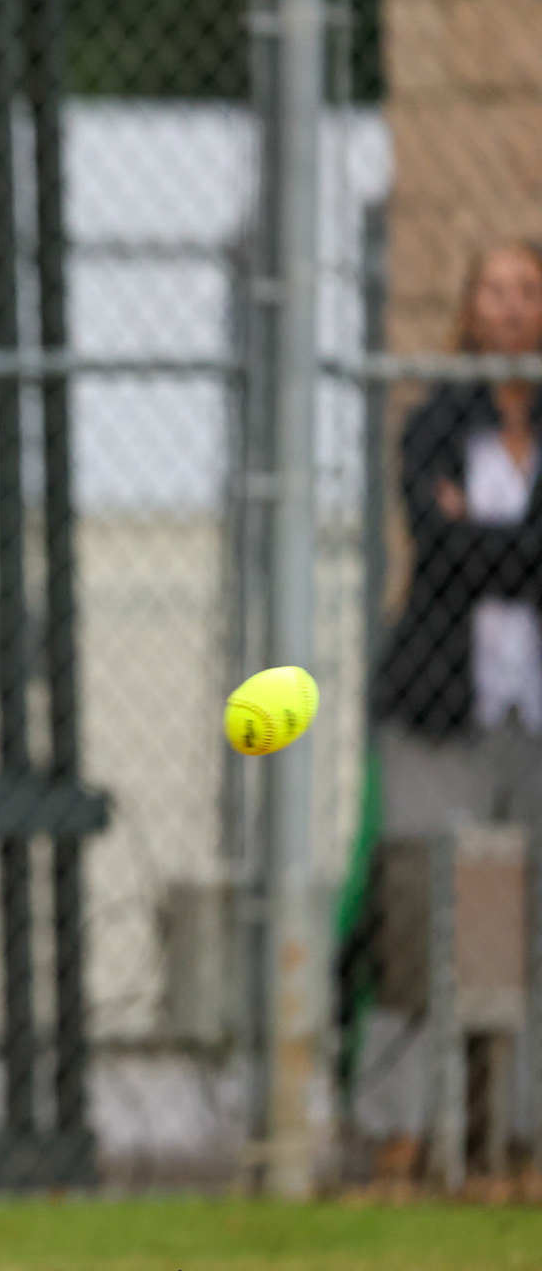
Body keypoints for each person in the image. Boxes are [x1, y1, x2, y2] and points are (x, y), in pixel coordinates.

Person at [359, 240, 542, 1177]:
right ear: (470, 311)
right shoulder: (433, 424)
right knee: (422, 914)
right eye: (494, 292)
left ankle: (514, 1138)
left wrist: (481, 536)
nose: (510, 309)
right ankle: (403, 1130)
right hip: (441, 708)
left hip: (531, 720)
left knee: (525, 930)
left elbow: (480, 552)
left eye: (527, 292)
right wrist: (501, 545)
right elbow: (443, 549)